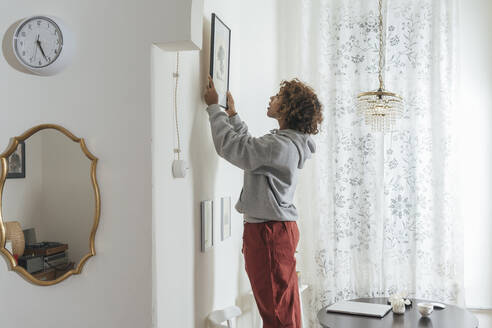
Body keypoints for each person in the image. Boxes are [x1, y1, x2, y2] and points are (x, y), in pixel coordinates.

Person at [203, 76, 323, 328]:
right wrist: (233, 116)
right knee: (282, 308)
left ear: (289, 108)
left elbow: (235, 149)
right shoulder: (284, 143)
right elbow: (252, 149)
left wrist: (214, 109)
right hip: (276, 230)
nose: (271, 99)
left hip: (268, 232)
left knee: (277, 314)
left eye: (278, 97)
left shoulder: (279, 146)